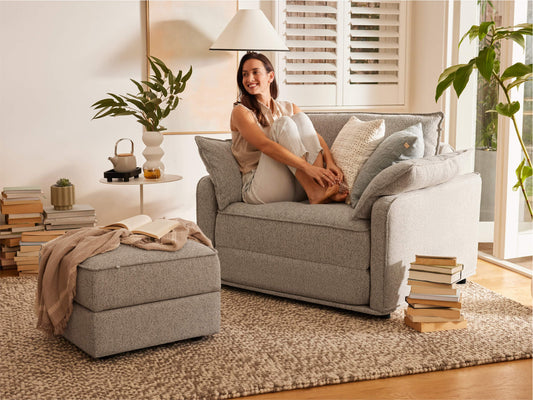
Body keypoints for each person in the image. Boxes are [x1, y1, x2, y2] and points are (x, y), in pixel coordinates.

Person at [230, 52, 348, 205]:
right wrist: (307, 167)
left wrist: (330, 162)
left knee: (300, 118)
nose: (249, 79)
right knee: (284, 123)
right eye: (245, 74)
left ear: (270, 77)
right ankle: (315, 191)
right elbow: (266, 146)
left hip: (294, 183)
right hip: (259, 188)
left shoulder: (288, 107)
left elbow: (314, 136)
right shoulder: (241, 111)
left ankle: (319, 187)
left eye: (255, 72)